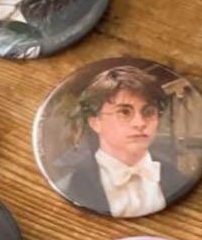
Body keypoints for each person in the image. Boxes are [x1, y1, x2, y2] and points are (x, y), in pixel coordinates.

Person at [50, 65, 187, 217]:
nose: (140, 123)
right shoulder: (71, 186)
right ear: (95, 122)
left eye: (149, 112)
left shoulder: (178, 178)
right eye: (124, 112)